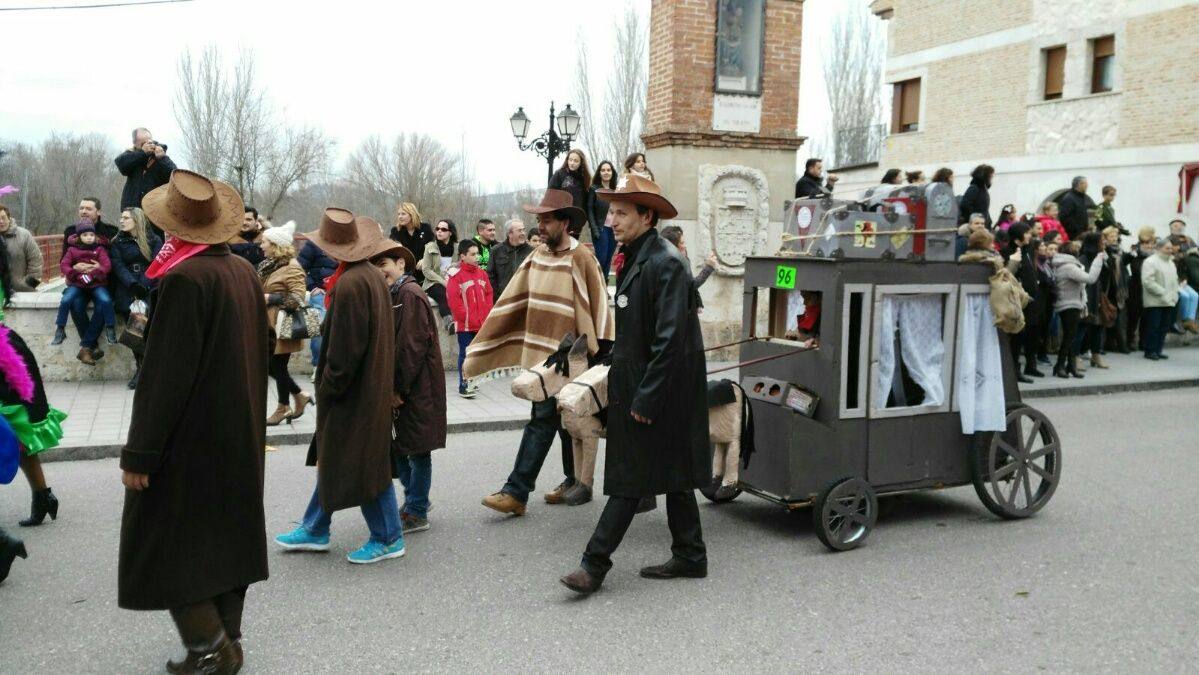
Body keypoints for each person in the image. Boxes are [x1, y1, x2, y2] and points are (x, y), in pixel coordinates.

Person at [118, 169, 269, 673]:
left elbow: (164, 379)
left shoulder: (185, 277)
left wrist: (140, 455)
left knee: (166, 541)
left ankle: (210, 649)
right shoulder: (242, 272)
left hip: (191, 437)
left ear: (173, 228)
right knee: (225, 538)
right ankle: (229, 641)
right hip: (237, 430)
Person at [559, 174, 709, 595]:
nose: (610, 220)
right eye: (610, 211)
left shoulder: (666, 262)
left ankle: (594, 565)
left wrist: (646, 397)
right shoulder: (639, 255)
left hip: (660, 391)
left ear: (647, 216)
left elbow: (669, 342)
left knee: (630, 477)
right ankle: (691, 554)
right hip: (647, 384)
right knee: (675, 472)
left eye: (621, 212)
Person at [469, 188, 613, 515]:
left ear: (565, 222)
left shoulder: (581, 258)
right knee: (562, 420)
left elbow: (600, 304)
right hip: (538, 358)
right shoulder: (537, 256)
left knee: (542, 419)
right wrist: (487, 340)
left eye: (547, 220)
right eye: (539, 220)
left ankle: (516, 492)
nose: (541, 226)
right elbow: (513, 301)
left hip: (568, 361)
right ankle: (575, 481)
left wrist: (601, 352)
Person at [274, 208, 405, 565]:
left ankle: (388, 536)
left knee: (361, 465)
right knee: (346, 460)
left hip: (353, 395)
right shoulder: (368, 276)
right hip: (366, 391)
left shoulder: (350, 283)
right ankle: (316, 527)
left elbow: (345, 354)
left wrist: (327, 387)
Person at [370, 243, 446, 535]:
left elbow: (410, 347)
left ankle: (417, 509)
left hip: (416, 388)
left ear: (401, 263)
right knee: (403, 447)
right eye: (376, 266)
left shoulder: (409, 294)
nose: (380, 271)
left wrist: (398, 388)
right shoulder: (397, 293)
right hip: (411, 386)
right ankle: (414, 502)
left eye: (384, 263)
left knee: (417, 450)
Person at [0, 244, 67, 532]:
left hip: (5, 357)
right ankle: (43, 496)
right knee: (16, 429)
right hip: (6, 351)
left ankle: (42, 496)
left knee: (17, 429)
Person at [258, 221, 313, 427]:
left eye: (264, 242)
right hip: (267, 324)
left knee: (277, 366)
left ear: (275, 244)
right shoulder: (270, 265)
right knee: (272, 366)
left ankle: (283, 407)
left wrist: (270, 298)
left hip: (281, 325)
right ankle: (299, 396)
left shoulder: (292, 267)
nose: (261, 245)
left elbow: (298, 298)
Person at [110, 207, 163, 389]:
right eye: (121, 217)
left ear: (137, 220)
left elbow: (157, 262)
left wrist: (144, 285)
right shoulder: (117, 241)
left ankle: (145, 372)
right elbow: (117, 265)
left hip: (149, 289)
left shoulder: (153, 239)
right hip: (128, 290)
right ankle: (141, 370)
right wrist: (133, 285)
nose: (122, 221)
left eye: (126, 218)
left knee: (145, 332)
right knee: (134, 334)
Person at [56, 222, 116, 364]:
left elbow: (107, 266)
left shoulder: (100, 249)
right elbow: (64, 265)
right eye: (85, 235)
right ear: (79, 237)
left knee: (106, 300)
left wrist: (94, 272)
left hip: (96, 283)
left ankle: (110, 328)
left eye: (91, 235)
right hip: (78, 283)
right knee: (67, 300)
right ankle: (60, 328)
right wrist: (75, 273)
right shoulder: (72, 250)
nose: (89, 237)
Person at [446, 239, 494, 398]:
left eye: (477, 253)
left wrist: (486, 313)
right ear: (462, 256)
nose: (477, 257)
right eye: (473, 254)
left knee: (476, 356)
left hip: (481, 324)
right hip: (465, 326)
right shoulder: (456, 276)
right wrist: (467, 317)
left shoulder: (482, 273)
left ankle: (473, 381)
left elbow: (488, 294)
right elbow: (454, 301)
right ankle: (463, 385)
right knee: (465, 355)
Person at [1051, 240, 1106, 378]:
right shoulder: (1069, 266)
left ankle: (1070, 366)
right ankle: (1060, 366)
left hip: (1071, 303)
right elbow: (1090, 278)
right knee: (1069, 337)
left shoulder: (1066, 264)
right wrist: (1098, 260)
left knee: (1071, 337)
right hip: (1069, 304)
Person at [297, 236, 336, 380]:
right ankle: (317, 367)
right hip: (319, 292)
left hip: (341, 291)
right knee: (318, 328)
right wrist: (312, 287)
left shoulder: (347, 242)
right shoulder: (313, 243)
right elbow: (299, 268)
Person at [1076, 231, 1115, 368]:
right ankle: (1075, 356)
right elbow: (1086, 280)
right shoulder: (1083, 259)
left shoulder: (1103, 257)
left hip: (1099, 296)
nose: (1104, 243)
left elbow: (1107, 277)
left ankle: (1096, 355)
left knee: (1098, 329)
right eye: (1101, 240)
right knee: (1081, 328)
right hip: (1087, 297)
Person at [114, 128, 176, 212]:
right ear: (135, 144)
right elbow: (121, 164)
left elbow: (174, 175)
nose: (148, 145)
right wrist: (142, 153)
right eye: (143, 143)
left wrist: (163, 158)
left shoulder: (160, 155)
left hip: (153, 210)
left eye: (149, 141)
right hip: (132, 209)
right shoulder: (133, 154)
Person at [1141, 238, 1180, 360]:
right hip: (1155, 301)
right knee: (1153, 327)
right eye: (1167, 248)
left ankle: (1158, 350)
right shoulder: (1150, 261)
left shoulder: (1171, 263)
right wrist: (1163, 293)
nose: (1170, 250)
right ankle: (1150, 351)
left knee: (1164, 327)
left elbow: (1175, 280)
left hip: (1169, 300)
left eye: (1171, 248)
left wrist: (1175, 294)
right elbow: (1147, 281)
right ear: (1159, 248)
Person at [420, 218, 458, 333]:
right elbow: (426, 270)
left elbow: (460, 265)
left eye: (443, 229)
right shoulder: (430, 246)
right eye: (437, 229)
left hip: (452, 279)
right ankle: (449, 322)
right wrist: (443, 282)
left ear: (450, 232)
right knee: (442, 294)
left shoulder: (457, 248)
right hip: (433, 282)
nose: (439, 231)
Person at [1124, 226, 1156, 350]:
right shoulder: (1135, 252)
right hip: (1135, 289)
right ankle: (1129, 341)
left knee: (1146, 318)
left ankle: (1143, 343)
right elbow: (1127, 263)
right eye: (1147, 243)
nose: (1149, 246)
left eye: (1151, 244)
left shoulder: (1154, 256)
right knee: (1133, 317)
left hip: (1148, 290)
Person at [0, 204, 43, 292]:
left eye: (3, 217)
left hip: (23, 291)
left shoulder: (24, 235)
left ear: (9, 217)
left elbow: (36, 262)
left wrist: (28, 285)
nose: (1, 221)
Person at [550, 149, 592, 239]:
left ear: (581, 163)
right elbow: (550, 194)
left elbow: (586, 202)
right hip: (561, 218)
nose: (572, 163)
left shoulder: (584, 178)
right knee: (561, 246)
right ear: (567, 160)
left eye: (576, 161)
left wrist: (586, 219)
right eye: (570, 160)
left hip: (577, 221)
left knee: (573, 247)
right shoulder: (559, 174)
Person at [388, 202, 434, 281]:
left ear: (412, 214)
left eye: (403, 214)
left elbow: (433, 248)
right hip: (404, 275)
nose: (400, 217)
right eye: (398, 214)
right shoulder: (395, 231)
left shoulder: (425, 228)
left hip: (424, 273)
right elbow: (391, 251)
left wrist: (425, 259)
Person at [488, 219, 533, 298]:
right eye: (519, 230)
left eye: (523, 230)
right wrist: (496, 296)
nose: (523, 233)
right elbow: (490, 276)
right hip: (502, 298)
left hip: (524, 298)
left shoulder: (532, 251)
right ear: (510, 233)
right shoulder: (496, 251)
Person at [1168, 219, 1199, 333]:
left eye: (1181, 226)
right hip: (1172, 276)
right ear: (1171, 228)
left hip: (1185, 275)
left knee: (1195, 296)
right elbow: (1172, 257)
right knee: (1185, 296)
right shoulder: (1168, 241)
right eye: (1176, 226)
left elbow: (1196, 252)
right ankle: (1183, 321)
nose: (1179, 227)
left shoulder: (1189, 240)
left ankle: (1189, 321)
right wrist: (1187, 253)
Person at [588, 160, 619, 277]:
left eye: (608, 170)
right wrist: (594, 229)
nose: (606, 172)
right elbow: (589, 209)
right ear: (599, 173)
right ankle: (596, 286)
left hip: (614, 229)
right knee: (601, 258)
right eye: (603, 170)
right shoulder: (594, 189)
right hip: (601, 229)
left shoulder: (617, 189)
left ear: (612, 172)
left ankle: (604, 289)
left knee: (608, 260)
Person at [1056, 176, 1096, 241]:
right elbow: (1065, 217)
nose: (1087, 185)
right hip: (1075, 236)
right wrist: (1078, 231)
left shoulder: (1080, 197)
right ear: (1079, 184)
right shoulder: (1069, 198)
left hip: (1083, 234)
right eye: (1085, 183)